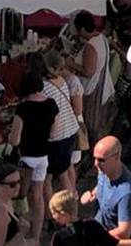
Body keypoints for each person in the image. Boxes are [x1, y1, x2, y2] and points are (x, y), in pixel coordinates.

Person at [9, 70, 58, 241]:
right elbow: (53, 133)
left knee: (21, 196)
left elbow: (14, 140)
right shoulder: (51, 104)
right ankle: (36, 236)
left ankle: (21, 232)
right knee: (37, 196)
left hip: (26, 158)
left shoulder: (23, 108)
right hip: (43, 157)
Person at [49, 189, 131, 246]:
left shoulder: (60, 237)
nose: (52, 216)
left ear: (63, 214)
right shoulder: (92, 226)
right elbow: (117, 243)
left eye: (54, 213)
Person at [81, 136, 131, 240]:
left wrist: (94, 238)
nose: (96, 164)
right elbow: (102, 184)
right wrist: (93, 194)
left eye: (101, 160)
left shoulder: (126, 192)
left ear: (117, 156)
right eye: (94, 158)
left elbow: (125, 232)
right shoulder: (104, 171)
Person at [43, 49, 85, 198]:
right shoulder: (62, 81)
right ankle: (74, 195)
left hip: (57, 135)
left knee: (50, 177)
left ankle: (63, 208)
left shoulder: (45, 87)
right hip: (70, 130)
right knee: (67, 168)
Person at [73, 12, 114, 147]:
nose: (78, 33)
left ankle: (97, 156)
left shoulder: (91, 45)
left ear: (83, 29)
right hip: (104, 89)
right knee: (99, 127)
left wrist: (70, 63)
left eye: (78, 30)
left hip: (94, 92)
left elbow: (89, 72)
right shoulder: (101, 38)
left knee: (93, 128)